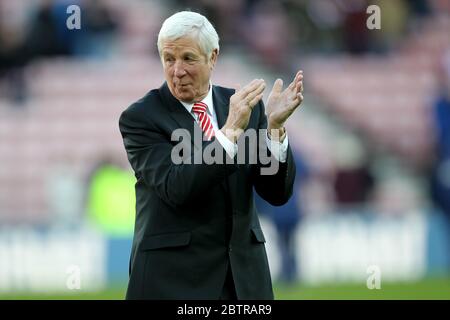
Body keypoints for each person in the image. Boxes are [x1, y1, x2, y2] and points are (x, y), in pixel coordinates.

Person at [118, 11, 304, 300]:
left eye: (188, 58)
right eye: (169, 59)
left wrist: (275, 130)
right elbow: (177, 187)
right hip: (173, 283)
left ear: (213, 57)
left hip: (243, 281)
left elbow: (276, 193)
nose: (177, 70)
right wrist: (228, 133)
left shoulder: (247, 108)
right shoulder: (141, 118)